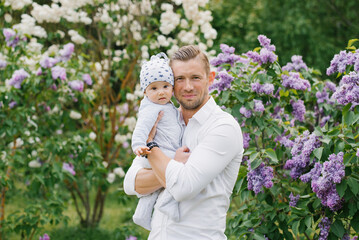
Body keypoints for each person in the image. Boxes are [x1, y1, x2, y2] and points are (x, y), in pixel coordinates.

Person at [124, 45, 244, 240]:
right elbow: (132, 183)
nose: (187, 86)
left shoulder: (223, 127)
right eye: (180, 79)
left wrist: (151, 146)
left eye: (195, 78)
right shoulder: (164, 121)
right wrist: (175, 166)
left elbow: (182, 188)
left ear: (210, 78)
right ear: (171, 83)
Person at [130, 53, 183, 230]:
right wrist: (138, 145)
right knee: (175, 170)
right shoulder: (151, 108)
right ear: (145, 92)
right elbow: (141, 128)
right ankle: (168, 202)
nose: (161, 92)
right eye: (154, 88)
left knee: (153, 189)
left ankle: (142, 214)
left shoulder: (167, 105)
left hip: (163, 149)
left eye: (165, 86)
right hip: (157, 150)